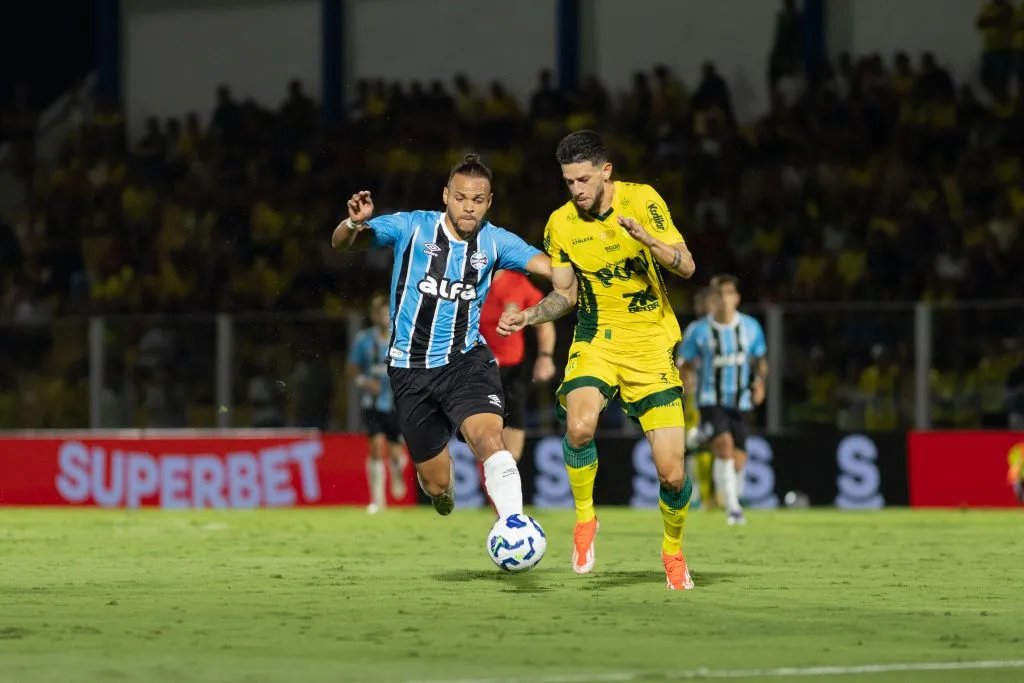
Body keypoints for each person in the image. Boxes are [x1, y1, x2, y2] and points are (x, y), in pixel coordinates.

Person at [498, 130, 697, 590]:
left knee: (672, 475)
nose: (577, 190)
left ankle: (672, 550)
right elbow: (564, 295)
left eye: (584, 180)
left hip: (650, 346)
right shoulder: (561, 224)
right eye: (569, 182)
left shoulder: (642, 200)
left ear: (606, 171)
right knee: (580, 426)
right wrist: (529, 315)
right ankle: (585, 519)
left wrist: (649, 240)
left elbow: (686, 266)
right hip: (597, 341)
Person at [332, 154, 550, 523]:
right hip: (409, 370)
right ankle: (441, 491)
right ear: (446, 195)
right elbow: (345, 243)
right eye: (461, 198)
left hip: (465, 361)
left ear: (489, 202)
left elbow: (550, 267)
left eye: (477, 200)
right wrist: (353, 223)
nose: (469, 207)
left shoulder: (496, 241)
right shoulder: (413, 227)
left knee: (490, 440)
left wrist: (575, 266)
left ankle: (514, 525)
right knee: (436, 484)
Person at [678, 275, 768, 526]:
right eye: (719, 294)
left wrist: (760, 384)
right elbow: (684, 362)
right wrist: (686, 380)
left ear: (737, 298)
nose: (725, 299)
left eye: (729, 293)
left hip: (740, 400)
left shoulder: (750, 327)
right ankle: (734, 509)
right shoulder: (699, 330)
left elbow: (760, 359)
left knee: (738, 460)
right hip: (710, 399)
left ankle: (703, 437)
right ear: (712, 299)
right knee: (725, 447)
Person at [479, 271, 558, 461]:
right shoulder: (468, 280)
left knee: (510, 451)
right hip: (477, 371)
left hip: (512, 373)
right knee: (484, 440)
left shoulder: (517, 282)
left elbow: (544, 323)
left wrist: (545, 357)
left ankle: (507, 472)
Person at [346, 293, 408, 514]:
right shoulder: (364, 339)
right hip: (372, 403)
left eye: (387, 313)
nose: (384, 317)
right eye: (380, 313)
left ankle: (397, 470)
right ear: (374, 316)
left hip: (395, 403)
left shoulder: (401, 337)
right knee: (375, 447)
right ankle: (378, 501)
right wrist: (364, 381)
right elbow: (351, 367)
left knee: (395, 452)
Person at [677, 287, 716, 511]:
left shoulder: (727, 328)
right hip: (699, 395)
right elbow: (683, 362)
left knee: (718, 442)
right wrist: (685, 385)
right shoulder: (696, 330)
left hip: (722, 394)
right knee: (696, 441)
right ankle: (700, 495)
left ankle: (716, 495)